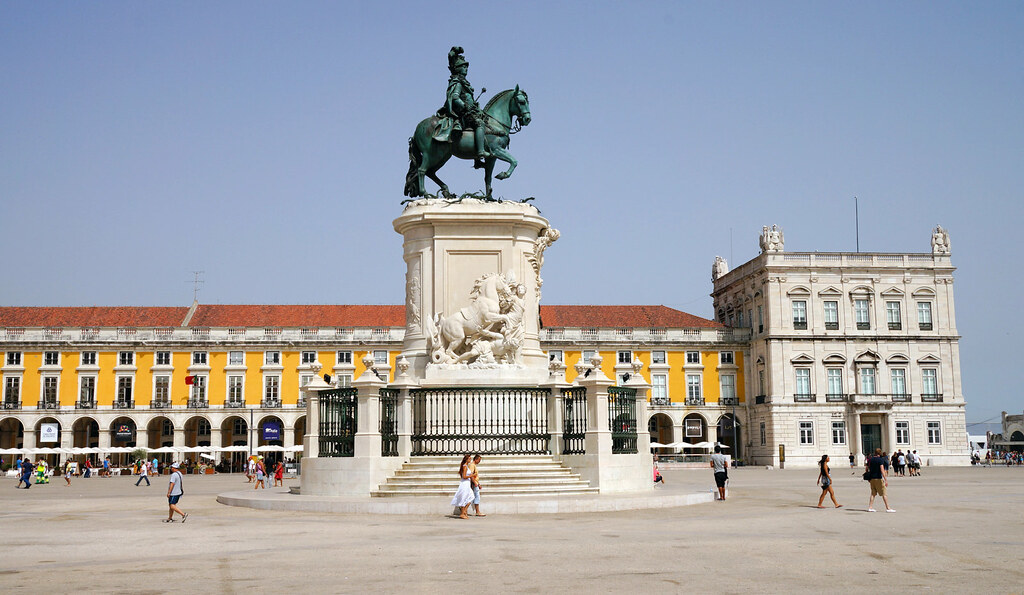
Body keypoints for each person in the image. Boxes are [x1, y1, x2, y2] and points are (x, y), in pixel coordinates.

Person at [436, 46, 490, 167]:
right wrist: (466, 107)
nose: (466, 69)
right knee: (479, 123)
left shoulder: (464, 82)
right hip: (462, 112)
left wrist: (474, 106)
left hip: (469, 110)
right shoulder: (458, 82)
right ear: (458, 69)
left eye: (466, 67)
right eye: (464, 67)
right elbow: (455, 97)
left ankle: (477, 160)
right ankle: (480, 152)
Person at [865, 448, 895, 513]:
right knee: (884, 493)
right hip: (878, 478)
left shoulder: (870, 459)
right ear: (880, 453)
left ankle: (870, 507)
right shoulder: (880, 460)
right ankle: (888, 508)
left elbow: (866, 468)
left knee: (873, 493)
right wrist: (885, 479)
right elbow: (882, 470)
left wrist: (868, 476)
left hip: (872, 478)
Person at [450, 454, 475, 519]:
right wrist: (471, 475)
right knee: (464, 497)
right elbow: (464, 476)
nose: (470, 460)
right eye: (469, 459)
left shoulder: (466, 466)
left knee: (471, 496)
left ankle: (464, 510)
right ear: (466, 459)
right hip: (465, 484)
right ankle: (462, 513)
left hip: (467, 483)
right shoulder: (464, 466)